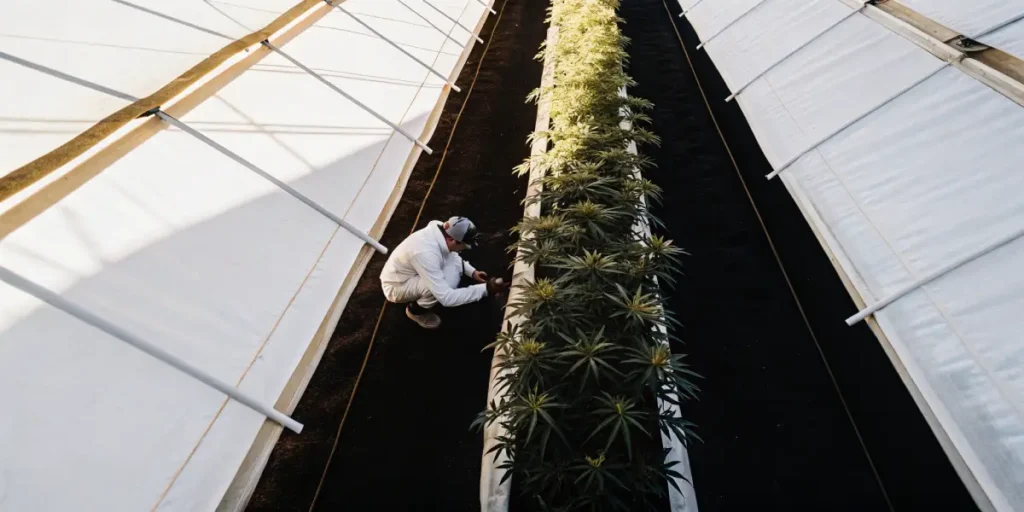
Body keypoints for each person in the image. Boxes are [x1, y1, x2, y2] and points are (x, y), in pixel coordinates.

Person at [380, 216, 507, 329]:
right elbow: (447, 298)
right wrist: (486, 289)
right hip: (396, 285)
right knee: (438, 288)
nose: (464, 249)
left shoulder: (443, 231)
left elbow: (451, 255)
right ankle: (415, 311)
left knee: (450, 269)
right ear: (452, 240)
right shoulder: (426, 254)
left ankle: (422, 299)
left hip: (413, 270)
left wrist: (472, 272)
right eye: (464, 246)